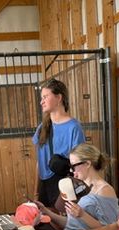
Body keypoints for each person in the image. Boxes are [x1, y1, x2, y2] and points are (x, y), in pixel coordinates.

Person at [36, 143, 119, 230]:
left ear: (87, 164)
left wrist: (83, 215)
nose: (71, 170)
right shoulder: (79, 186)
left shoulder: (104, 190)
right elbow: (73, 225)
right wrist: (46, 212)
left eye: (74, 166)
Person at [32, 78, 85, 207]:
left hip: (64, 184)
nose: (41, 101)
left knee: (62, 224)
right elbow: (40, 162)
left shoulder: (74, 127)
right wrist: (36, 192)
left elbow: (80, 164)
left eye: (45, 97)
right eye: (41, 98)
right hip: (45, 186)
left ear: (59, 98)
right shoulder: (42, 128)